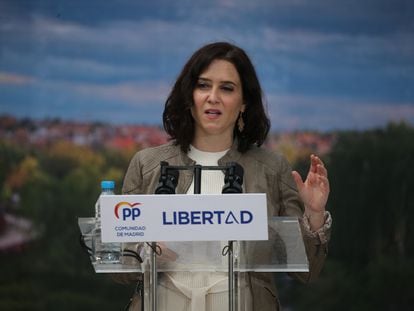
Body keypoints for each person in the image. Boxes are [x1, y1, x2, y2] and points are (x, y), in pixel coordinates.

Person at [118, 41, 331, 311]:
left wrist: (313, 214)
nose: (213, 97)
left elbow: (307, 271)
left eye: (226, 88)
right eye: (203, 85)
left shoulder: (271, 168)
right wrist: (147, 253)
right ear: (189, 95)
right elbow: (119, 268)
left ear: (243, 103)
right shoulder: (147, 164)